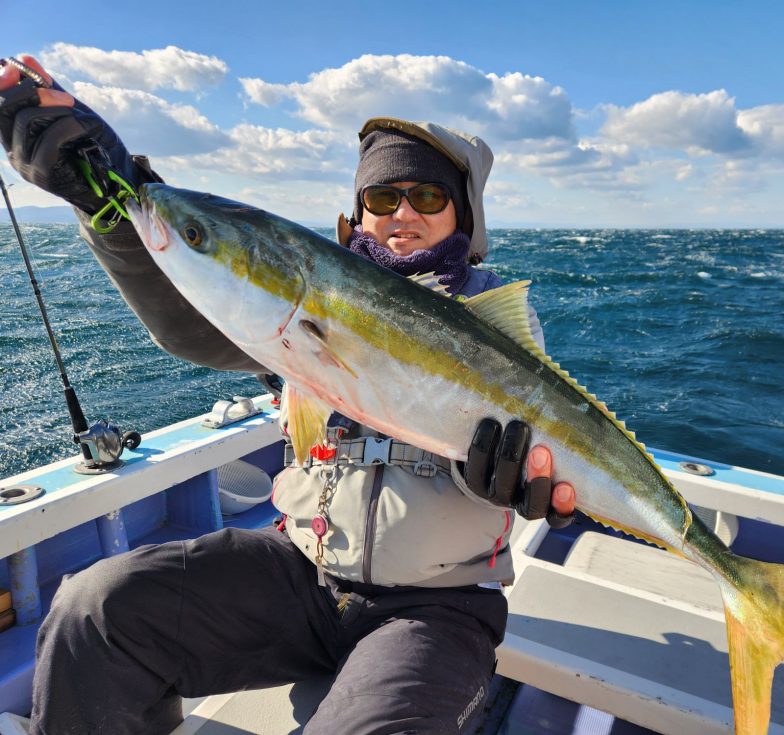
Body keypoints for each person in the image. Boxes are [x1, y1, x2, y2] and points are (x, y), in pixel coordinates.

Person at [0, 56, 578, 735]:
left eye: (426, 197)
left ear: (463, 212)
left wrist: (513, 484)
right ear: (357, 209)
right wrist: (112, 197)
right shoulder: (302, 297)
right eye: (382, 197)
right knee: (94, 609)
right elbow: (198, 313)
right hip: (302, 579)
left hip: (437, 607)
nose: (402, 214)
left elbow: (545, 452)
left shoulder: (492, 317)